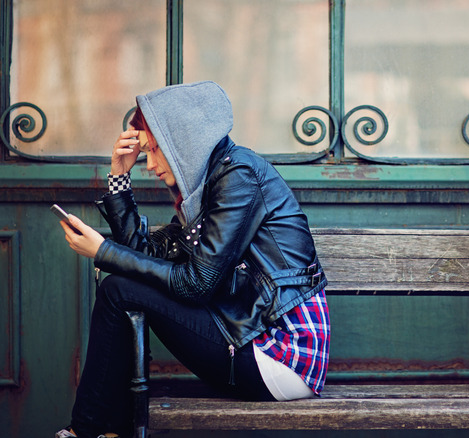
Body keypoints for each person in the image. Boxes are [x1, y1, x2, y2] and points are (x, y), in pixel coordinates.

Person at [55, 81, 330, 438]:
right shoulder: (207, 189)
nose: (150, 165)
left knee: (118, 290)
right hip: (252, 337)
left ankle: (89, 430)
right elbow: (145, 255)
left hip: (284, 354)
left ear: (182, 142)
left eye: (155, 151)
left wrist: (105, 252)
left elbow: (196, 284)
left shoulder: (239, 177)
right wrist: (119, 178)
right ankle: (105, 430)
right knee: (121, 288)